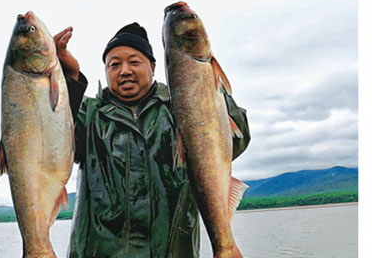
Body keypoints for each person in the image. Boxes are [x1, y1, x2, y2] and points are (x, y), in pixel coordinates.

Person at [54, 22, 250, 258]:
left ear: (154, 66)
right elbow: (51, 141)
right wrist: (70, 79)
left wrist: (202, 76)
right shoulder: (89, 115)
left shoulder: (181, 108)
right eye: (114, 64)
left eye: (134, 62)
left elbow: (237, 139)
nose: (124, 70)